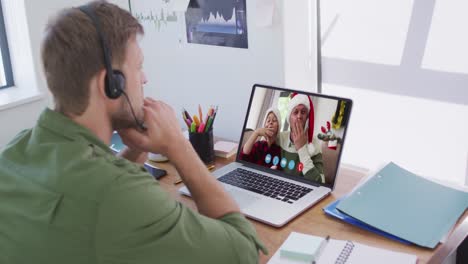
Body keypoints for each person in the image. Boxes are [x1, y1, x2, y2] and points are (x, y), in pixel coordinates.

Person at [0, 1, 265, 263]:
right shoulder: (119, 197)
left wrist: (137, 148)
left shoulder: (15, 153)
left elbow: (90, 187)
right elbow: (245, 250)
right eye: (138, 67)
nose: (145, 78)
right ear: (111, 84)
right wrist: (178, 147)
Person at [278, 93, 324, 183]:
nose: (299, 116)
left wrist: (302, 148)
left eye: (303, 112)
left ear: (307, 118)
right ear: (289, 118)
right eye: (295, 112)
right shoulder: (279, 138)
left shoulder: (314, 145)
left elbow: (320, 182)